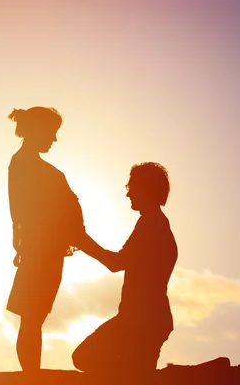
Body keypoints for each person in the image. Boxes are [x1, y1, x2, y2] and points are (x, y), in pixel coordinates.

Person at [73, 162, 177, 382]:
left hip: (141, 321)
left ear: (146, 189)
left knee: (86, 358)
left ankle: (181, 374)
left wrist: (81, 240)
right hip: (142, 320)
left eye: (132, 187)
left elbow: (117, 262)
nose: (128, 193)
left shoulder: (152, 224)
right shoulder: (153, 223)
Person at [6, 106, 84, 372]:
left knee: (34, 317)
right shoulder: (27, 165)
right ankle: (32, 375)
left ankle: (32, 374)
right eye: (51, 133)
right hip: (40, 249)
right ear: (38, 130)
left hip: (43, 249)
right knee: (32, 317)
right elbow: (23, 210)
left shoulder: (30, 165)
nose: (54, 139)